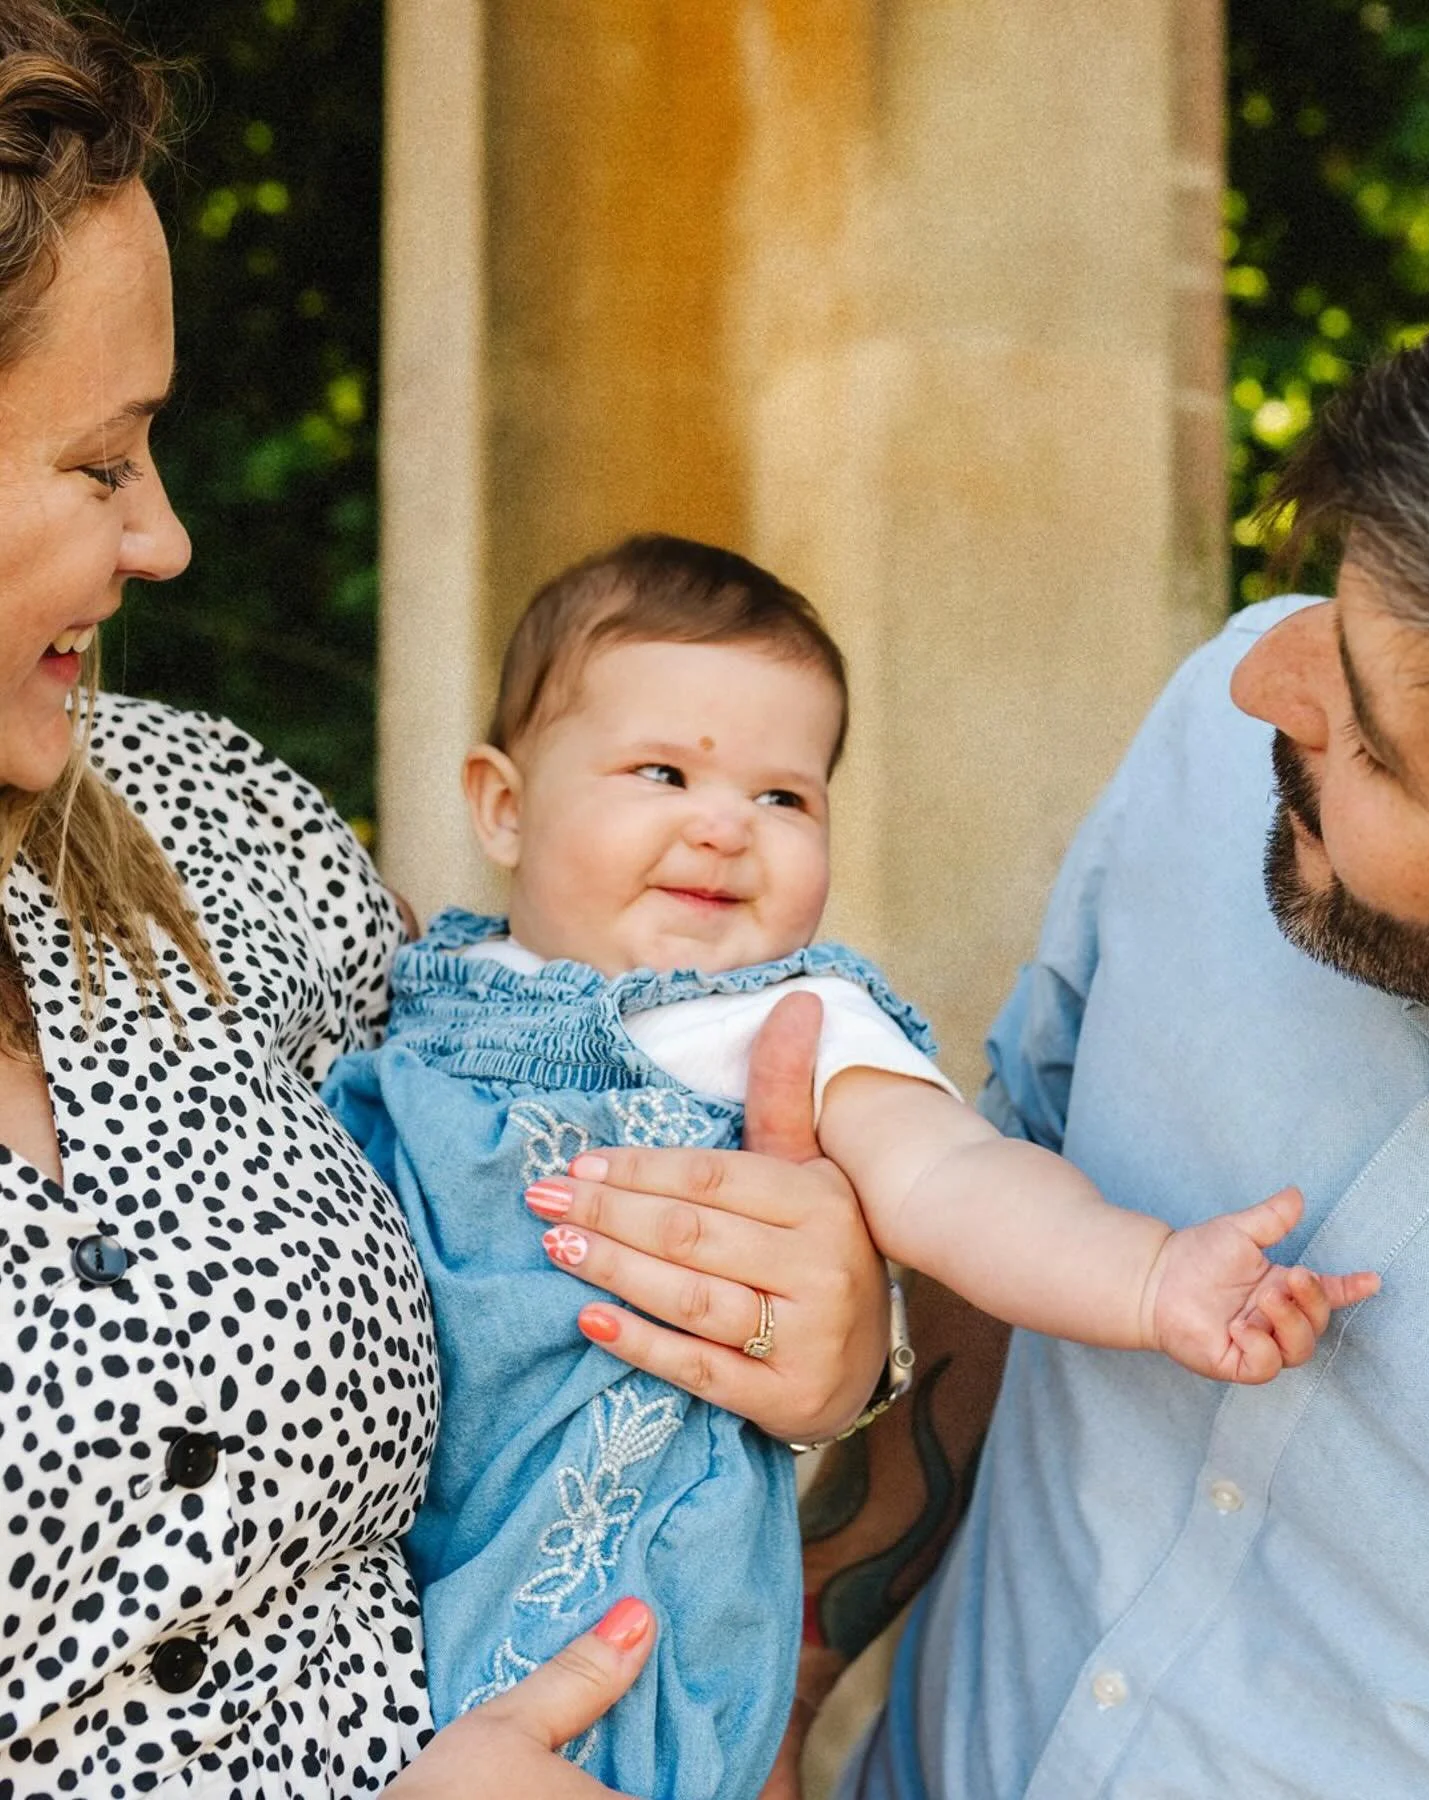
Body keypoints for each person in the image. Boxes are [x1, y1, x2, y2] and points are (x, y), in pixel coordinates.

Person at [0, 6, 893, 1794]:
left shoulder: (217, 821)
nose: (164, 535)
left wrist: (831, 1337)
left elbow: (576, 1072)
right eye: (101, 463)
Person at [321, 532, 1375, 1800]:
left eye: (786, 796)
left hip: (624, 1599)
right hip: (377, 1584)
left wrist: (1154, 1279)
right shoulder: (427, 989)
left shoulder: (790, 1021)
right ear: (502, 802)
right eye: (663, 772)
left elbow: (958, 1186)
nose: (725, 828)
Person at [783, 324, 1429, 1800]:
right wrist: (800, 1657)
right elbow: (1007, 1202)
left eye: (1375, 743)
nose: (1264, 687)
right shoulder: (1220, 759)